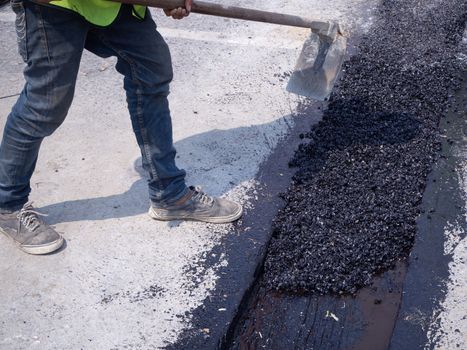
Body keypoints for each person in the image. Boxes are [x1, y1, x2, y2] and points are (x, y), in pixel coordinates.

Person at [0, 0, 243, 255]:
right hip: (54, 5)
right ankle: (8, 205)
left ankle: (169, 193)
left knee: (151, 69)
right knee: (46, 104)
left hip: (113, 6)